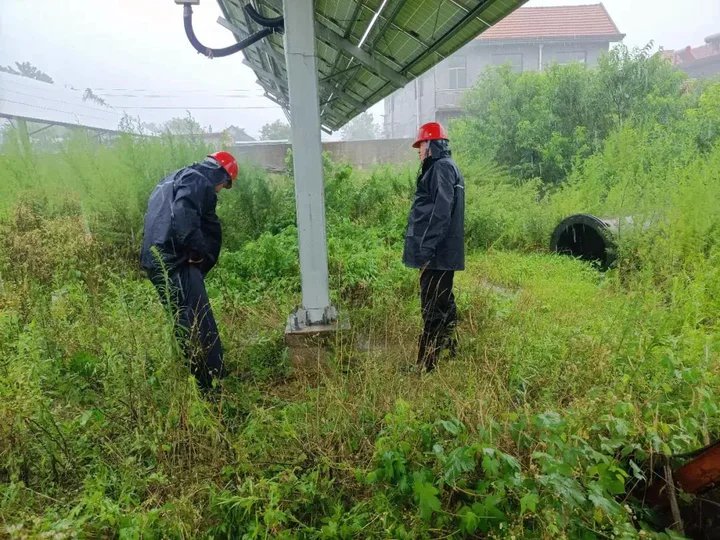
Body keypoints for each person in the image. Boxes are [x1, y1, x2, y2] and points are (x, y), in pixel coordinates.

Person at [140, 151, 238, 390]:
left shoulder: (172, 178)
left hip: (157, 262)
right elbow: (184, 216)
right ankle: (211, 384)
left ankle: (196, 380)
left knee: (182, 320)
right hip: (177, 261)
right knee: (198, 321)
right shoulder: (198, 180)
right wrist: (196, 252)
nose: (219, 191)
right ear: (221, 176)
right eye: (224, 186)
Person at [403, 122, 465, 371]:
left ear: (431, 145)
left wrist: (426, 250)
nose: (418, 150)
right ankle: (450, 350)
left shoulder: (440, 168)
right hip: (443, 253)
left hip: (437, 254)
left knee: (431, 308)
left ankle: (425, 365)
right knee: (443, 302)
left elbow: (441, 212)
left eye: (421, 145)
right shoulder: (445, 167)